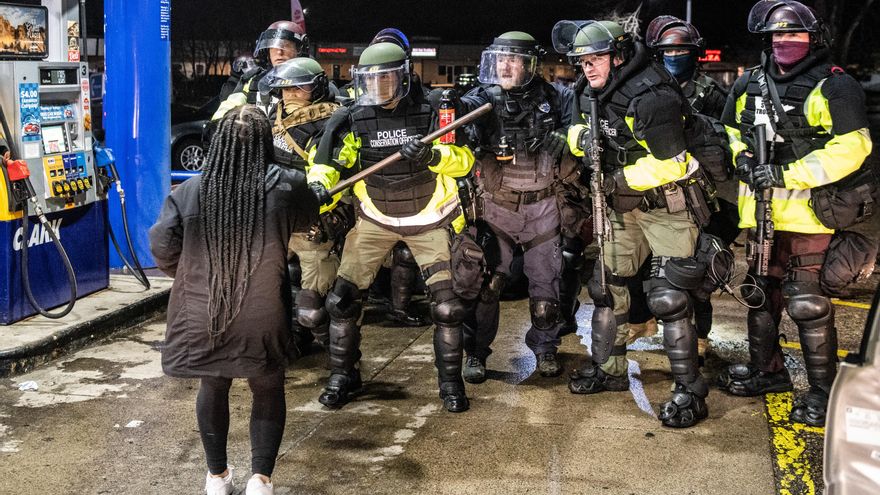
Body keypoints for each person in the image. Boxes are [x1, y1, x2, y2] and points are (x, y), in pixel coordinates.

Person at [718, 0, 873, 426]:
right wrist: (744, 159)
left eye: (794, 33)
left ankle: (823, 392)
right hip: (761, 214)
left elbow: (853, 146)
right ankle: (768, 373)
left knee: (808, 305)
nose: (784, 41)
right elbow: (730, 130)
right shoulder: (748, 82)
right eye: (777, 34)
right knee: (761, 299)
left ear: (812, 37)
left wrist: (787, 172)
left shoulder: (835, 85)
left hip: (810, 214)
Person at [149, 106, 317, 495]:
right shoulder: (288, 184)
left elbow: (161, 244)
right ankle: (260, 479)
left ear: (218, 143)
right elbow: (312, 221)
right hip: (262, 308)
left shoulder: (189, 191)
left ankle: (217, 477)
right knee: (268, 387)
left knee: (213, 382)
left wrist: (192, 272)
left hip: (202, 309)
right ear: (263, 145)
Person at [307, 42, 475, 412]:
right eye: (370, 78)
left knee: (448, 308)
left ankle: (451, 384)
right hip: (376, 219)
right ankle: (343, 375)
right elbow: (334, 162)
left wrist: (433, 155)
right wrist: (320, 184)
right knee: (342, 300)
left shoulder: (435, 108)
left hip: (429, 217)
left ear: (403, 74)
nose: (378, 85)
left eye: (385, 76)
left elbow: (464, 161)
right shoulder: (353, 116)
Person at [556, 19, 708, 427]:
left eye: (595, 59)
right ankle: (609, 369)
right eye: (582, 61)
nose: (587, 68)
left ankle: (690, 390)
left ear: (619, 55)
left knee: (669, 297)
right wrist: (582, 142)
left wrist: (617, 179)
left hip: (665, 203)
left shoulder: (652, 93)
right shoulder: (590, 88)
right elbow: (574, 129)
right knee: (607, 286)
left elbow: (673, 163)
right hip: (620, 205)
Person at [456, 31, 572, 382]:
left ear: (531, 64)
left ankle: (545, 348)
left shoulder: (558, 96)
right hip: (496, 207)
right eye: (500, 59)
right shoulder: (479, 98)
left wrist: (563, 139)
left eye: (514, 59)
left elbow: (581, 131)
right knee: (486, 284)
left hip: (543, 206)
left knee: (546, 291)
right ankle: (475, 353)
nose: (505, 66)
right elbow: (453, 130)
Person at [644, 15, 738, 363]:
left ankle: (698, 340)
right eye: (668, 49)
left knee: (699, 275)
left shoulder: (711, 93)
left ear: (694, 53)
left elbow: (729, 143)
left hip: (705, 197)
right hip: (658, 193)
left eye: (682, 49)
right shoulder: (648, 89)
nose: (674, 55)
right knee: (655, 274)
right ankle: (652, 325)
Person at [266, 57, 350, 349]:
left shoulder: (331, 121)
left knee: (314, 310)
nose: (290, 96)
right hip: (278, 219)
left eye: (298, 89)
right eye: (285, 90)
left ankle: (340, 360)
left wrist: (312, 197)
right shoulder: (272, 116)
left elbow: (327, 171)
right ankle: (293, 344)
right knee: (274, 294)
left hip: (314, 220)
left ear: (316, 89)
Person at [212, 21, 309, 119]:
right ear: (267, 51)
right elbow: (229, 106)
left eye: (286, 45)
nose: (279, 52)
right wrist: (218, 124)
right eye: (274, 46)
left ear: (299, 49)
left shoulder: (312, 80)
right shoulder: (253, 81)